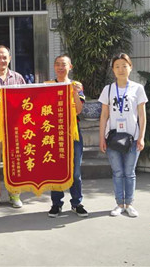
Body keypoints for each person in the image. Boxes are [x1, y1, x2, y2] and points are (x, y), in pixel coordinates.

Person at [98, 53, 147, 218]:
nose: (121, 69)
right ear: (113, 70)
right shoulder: (108, 89)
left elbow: (142, 115)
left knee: (130, 172)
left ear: (130, 68)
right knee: (118, 172)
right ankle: (119, 203)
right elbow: (104, 115)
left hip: (132, 138)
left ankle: (130, 204)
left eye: (124, 66)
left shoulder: (138, 88)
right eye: (117, 66)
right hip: (112, 139)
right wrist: (101, 138)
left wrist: (141, 137)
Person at [44, 55, 88, 218]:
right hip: (53, 133)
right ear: (54, 67)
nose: (60, 67)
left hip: (72, 132)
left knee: (75, 172)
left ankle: (76, 203)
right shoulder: (47, 86)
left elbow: (78, 110)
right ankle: (56, 204)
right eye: (57, 64)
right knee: (56, 170)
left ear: (70, 67)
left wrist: (75, 93)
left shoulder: (76, 85)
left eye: (63, 64)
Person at [0, 45, 26, 208]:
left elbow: (26, 102)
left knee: (15, 162)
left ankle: (15, 194)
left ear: (9, 59)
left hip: (14, 128)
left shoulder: (18, 78)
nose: (1, 60)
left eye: (4, 57)